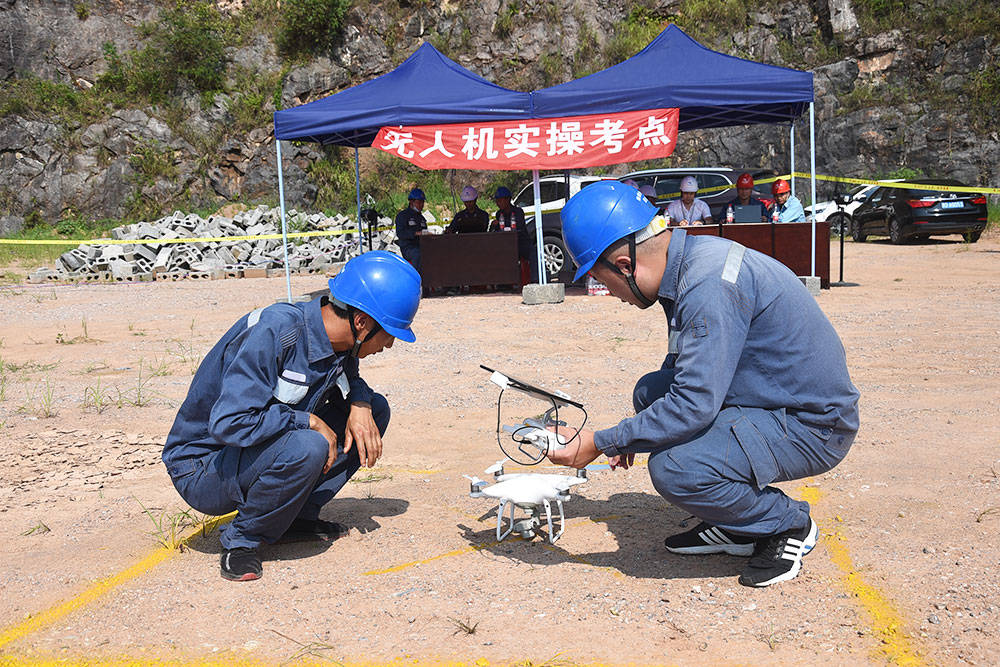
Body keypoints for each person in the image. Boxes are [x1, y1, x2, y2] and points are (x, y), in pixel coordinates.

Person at [550, 181, 859, 587]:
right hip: (769, 396)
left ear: (625, 264)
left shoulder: (708, 285)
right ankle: (735, 520)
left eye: (602, 281)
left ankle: (786, 525)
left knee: (674, 468)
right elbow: (682, 372)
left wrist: (603, 441)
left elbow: (693, 403)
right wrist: (631, 437)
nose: (609, 294)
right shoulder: (686, 265)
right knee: (650, 391)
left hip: (812, 425)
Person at [162, 251, 422, 582]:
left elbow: (348, 375)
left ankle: (294, 518)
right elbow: (229, 423)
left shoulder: (337, 340)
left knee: (375, 410)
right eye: (389, 334)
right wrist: (307, 421)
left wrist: (360, 402)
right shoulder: (277, 332)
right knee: (309, 444)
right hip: (203, 466)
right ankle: (242, 540)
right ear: (362, 323)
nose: (389, 345)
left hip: (250, 450)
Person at [489, 185, 538, 283]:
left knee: (534, 253)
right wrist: (494, 226)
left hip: (521, 244)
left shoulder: (518, 212)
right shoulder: (499, 214)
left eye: (501, 200)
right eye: (497, 201)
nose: (499, 203)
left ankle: (535, 280)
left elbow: (518, 227)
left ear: (508, 199)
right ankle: (502, 283)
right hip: (506, 246)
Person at [395, 188, 428, 269]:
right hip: (408, 248)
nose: (421, 205)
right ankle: (416, 278)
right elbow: (400, 233)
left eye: (423, 202)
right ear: (411, 202)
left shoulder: (422, 218)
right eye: (419, 202)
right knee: (417, 254)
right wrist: (415, 233)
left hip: (422, 246)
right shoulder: (402, 216)